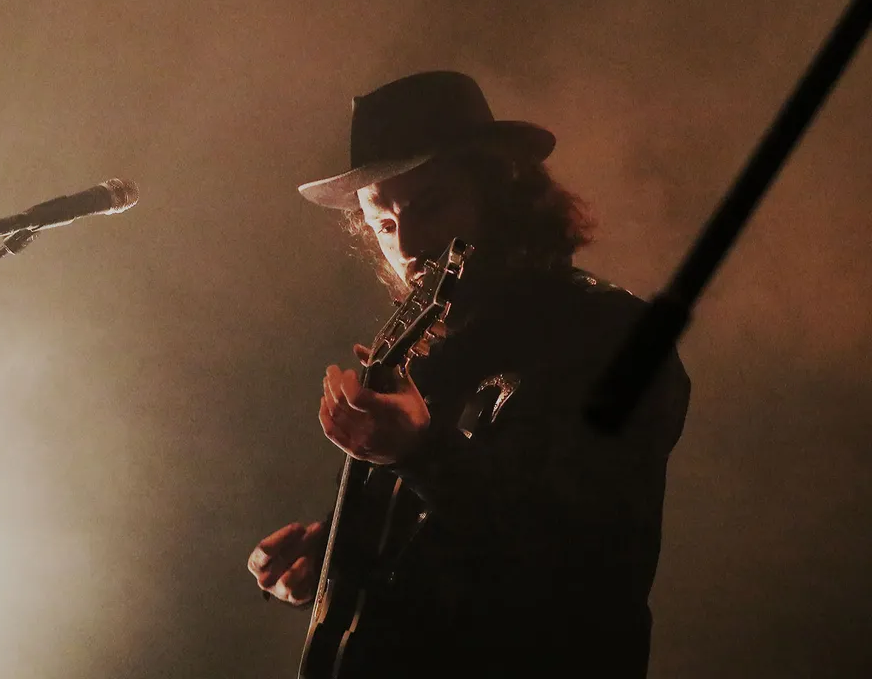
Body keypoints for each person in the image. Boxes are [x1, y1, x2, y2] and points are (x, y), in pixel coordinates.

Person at [246, 70, 690, 677]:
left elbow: (576, 565)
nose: (407, 246)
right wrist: (332, 555)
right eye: (384, 225)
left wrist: (421, 454)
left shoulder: (610, 333)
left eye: (430, 206)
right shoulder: (432, 356)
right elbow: (438, 552)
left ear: (502, 194)